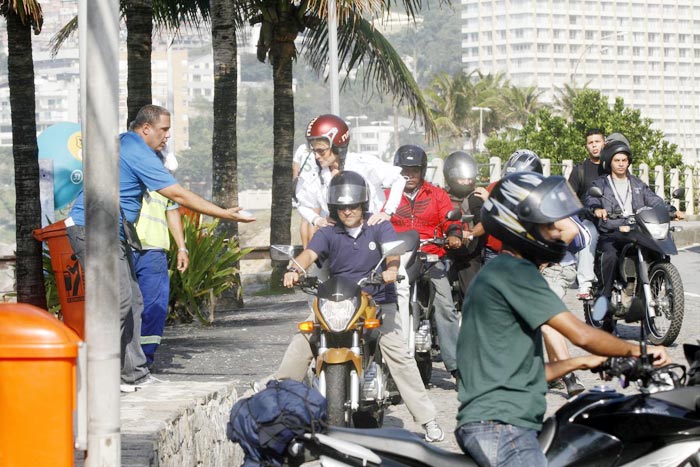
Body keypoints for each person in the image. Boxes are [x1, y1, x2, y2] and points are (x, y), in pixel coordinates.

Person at [455, 171, 671, 466]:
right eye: (548, 226)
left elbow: (520, 376)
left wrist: (583, 362)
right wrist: (641, 350)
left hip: (495, 421)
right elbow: (581, 334)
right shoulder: (515, 273)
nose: (558, 232)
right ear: (521, 226)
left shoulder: (499, 271)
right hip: (501, 428)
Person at [66, 104, 255, 392]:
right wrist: (225, 214)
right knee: (117, 303)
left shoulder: (125, 143)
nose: (167, 136)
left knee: (134, 302)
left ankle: (133, 376)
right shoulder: (136, 150)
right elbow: (177, 193)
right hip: (94, 231)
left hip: (111, 233)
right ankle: (95, 380)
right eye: (164, 130)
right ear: (146, 128)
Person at [265, 171, 445, 442]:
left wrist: (391, 270)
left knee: (398, 354)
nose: (348, 211)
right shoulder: (328, 231)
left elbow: (392, 253)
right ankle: (272, 403)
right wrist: (295, 268)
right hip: (337, 301)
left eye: (353, 205)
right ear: (335, 208)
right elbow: (310, 253)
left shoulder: (378, 225)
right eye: (342, 206)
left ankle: (428, 420)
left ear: (362, 204)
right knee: (303, 339)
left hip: (377, 301)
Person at [388, 145, 462, 380]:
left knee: (446, 306)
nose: (409, 175)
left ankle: (456, 366)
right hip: (397, 258)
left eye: (414, 170)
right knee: (380, 303)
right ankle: (384, 363)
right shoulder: (388, 194)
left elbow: (451, 220)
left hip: (431, 255)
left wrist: (453, 234)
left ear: (422, 171)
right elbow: (377, 219)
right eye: (404, 170)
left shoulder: (437, 194)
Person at [586, 138, 665, 321]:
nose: (621, 164)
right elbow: (591, 201)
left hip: (636, 231)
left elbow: (653, 199)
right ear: (610, 162)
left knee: (657, 250)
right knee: (610, 255)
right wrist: (596, 209)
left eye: (624, 160)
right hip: (612, 232)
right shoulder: (601, 184)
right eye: (617, 160)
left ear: (628, 162)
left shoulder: (637, 184)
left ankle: (647, 291)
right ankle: (604, 297)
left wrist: (669, 209)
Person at [295, 114, 405, 230]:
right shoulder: (315, 174)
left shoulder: (363, 163)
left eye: (321, 151)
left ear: (337, 146)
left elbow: (399, 179)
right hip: (337, 234)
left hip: (368, 231)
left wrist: (387, 212)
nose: (316, 156)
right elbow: (302, 204)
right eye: (314, 151)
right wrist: (317, 219)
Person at [134, 147, 188, 366]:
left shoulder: (165, 182)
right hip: (125, 247)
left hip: (154, 250)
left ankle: (144, 361)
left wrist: (182, 248)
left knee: (154, 308)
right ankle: (124, 362)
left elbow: (172, 210)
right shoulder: (129, 172)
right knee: (124, 306)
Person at [568, 128, 605, 300]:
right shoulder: (580, 170)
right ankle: (585, 284)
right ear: (586, 147)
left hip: (615, 219)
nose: (594, 145)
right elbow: (569, 197)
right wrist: (586, 211)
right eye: (591, 143)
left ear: (604, 142)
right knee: (589, 235)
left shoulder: (614, 166)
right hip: (589, 219)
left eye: (597, 141)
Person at [442, 151, 485, 297]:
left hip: (468, 254)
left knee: (472, 295)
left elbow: (483, 223)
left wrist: (470, 233)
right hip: (442, 250)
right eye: (462, 179)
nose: (467, 182)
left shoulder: (475, 197)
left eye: (469, 178)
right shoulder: (442, 196)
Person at [292, 143, 316, 248]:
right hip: (314, 185)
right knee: (314, 218)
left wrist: (295, 182)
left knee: (304, 219)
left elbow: (295, 167)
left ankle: (305, 247)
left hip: (301, 186)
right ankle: (313, 248)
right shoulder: (319, 148)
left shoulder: (302, 147)